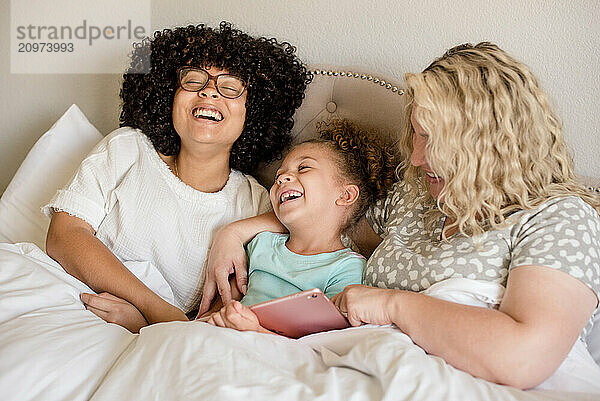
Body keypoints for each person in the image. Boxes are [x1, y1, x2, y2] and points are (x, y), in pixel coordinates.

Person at [199, 42, 600, 389]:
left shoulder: (559, 217)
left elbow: (524, 358)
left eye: (432, 138)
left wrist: (391, 304)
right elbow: (329, 209)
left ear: (487, 141)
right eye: (416, 135)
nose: (417, 156)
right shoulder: (416, 197)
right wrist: (234, 233)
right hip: (358, 364)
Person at [43, 22, 311, 333]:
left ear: (253, 112)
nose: (208, 90)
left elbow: (227, 307)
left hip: (164, 338)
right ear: (169, 96)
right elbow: (64, 236)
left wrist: (232, 233)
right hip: (66, 302)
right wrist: (157, 313)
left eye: (230, 86)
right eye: (193, 80)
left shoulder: (255, 203)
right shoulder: (127, 148)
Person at [202, 119, 397, 333]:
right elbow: (225, 305)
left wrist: (255, 331)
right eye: (278, 176)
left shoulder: (346, 268)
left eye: (303, 168)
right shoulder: (261, 242)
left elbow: (321, 344)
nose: (282, 178)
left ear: (345, 195)